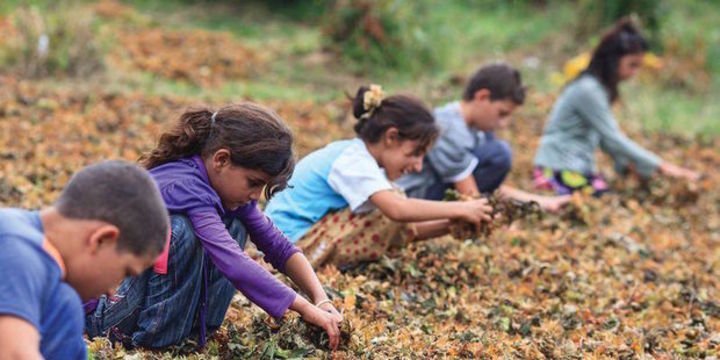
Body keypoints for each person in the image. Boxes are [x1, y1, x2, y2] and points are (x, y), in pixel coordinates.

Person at [85, 103, 343, 350]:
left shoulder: (224, 189)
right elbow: (234, 262)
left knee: (236, 224)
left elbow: (278, 246)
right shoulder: (185, 186)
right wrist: (305, 309)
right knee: (180, 232)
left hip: (137, 305)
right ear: (221, 160)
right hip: (106, 315)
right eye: (253, 183)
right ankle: (155, 343)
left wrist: (321, 299)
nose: (256, 195)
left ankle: (194, 332)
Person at [265, 85, 493, 269]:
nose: (417, 165)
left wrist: (451, 224)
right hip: (286, 246)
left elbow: (399, 224)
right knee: (388, 210)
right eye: (414, 154)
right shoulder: (353, 160)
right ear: (391, 137)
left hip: (293, 240)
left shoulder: (359, 158)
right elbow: (398, 211)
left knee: (389, 207)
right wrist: (461, 209)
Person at [0, 161, 169, 359]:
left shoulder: (63, 304)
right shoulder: (15, 244)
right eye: (124, 273)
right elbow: (13, 354)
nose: (112, 291)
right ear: (102, 240)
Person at [533, 19, 700, 195]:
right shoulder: (588, 90)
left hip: (575, 167)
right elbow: (613, 138)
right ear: (613, 59)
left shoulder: (597, 89)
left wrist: (630, 166)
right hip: (558, 169)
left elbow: (606, 142)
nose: (635, 73)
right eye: (632, 65)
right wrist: (664, 167)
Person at [396, 63, 571, 212]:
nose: (503, 124)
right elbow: (469, 193)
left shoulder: (477, 130)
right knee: (499, 154)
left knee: (496, 151)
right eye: (502, 113)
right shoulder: (448, 127)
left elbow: (486, 186)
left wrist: (542, 203)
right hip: (415, 197)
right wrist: (490, 221)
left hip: (439, 191)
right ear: (482, 97)